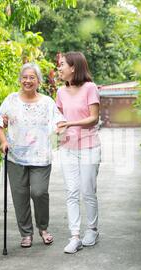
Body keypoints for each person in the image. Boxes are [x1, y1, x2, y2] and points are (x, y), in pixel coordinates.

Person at [0, 62, 66, 248]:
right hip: (15, 156)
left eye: (32, 77)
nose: (27, 81)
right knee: (19, 195)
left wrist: (58, 130)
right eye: (25, 77)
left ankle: (43, 227)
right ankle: (26, 233)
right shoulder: (11, 100)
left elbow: (60, 121)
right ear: (20, 79)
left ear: (38, 81)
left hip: (41, 156)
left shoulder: (47, 102)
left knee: (39, 192)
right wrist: (3, 141)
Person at [56, 52, 101, 254]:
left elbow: (93, 118)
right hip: (68, 148)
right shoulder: (60, 92)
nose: (59, 68)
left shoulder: (90, 88)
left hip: (89, 146)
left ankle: (92, 230)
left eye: (62, 64)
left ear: (74, 67)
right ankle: (74, 235)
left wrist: (70, 123)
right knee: (71, 192)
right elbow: (58, 120)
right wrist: (56, 132)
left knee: (87, 190)